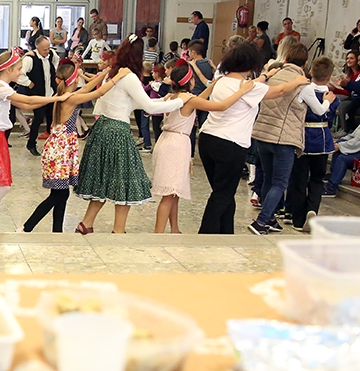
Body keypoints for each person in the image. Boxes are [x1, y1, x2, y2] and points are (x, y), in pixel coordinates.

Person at [73, 36, 187, 235]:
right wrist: (180, 101)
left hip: (102, 129)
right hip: (118, 132)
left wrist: (164, 100)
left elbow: (132, 103)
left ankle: (86, 223)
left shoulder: (113, 74)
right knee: (124, 182)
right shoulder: (129, 77)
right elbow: (148, 107)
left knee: (103, 181)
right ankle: (118, 230)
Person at [197, 43, 307, 235]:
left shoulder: (221, 80)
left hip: (207, 139)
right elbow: (281, 91)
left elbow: (252, 85)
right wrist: (298, 80)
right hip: (230, 144)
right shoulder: (250, 87)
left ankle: (225, 232)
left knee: (223, 191)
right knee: (223, 193)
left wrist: (267, 75)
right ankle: (206, 235)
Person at [0, 50, 62, 232]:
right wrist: (56, 97)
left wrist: (52, 101)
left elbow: (25, 104)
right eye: (18, 69)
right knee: (4, 187)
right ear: (8, 69)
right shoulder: (1, 87)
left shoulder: (2, 86)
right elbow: (28, 100)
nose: (21, 72)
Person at [152, 65, 256, 234]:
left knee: (173, 192)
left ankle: (175, 229)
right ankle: (159, 233)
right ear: (190, 81)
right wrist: (242, 91)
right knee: (169, 194)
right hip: (177, 144)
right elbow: (221, 106)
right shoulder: (189, 100)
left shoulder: (171, 97)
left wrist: (213, 85)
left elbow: (198, 99)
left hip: (166, 140)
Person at [23, 65, 125, 233]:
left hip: (59, 148)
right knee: (59, 194)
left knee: (61, 193)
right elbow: (98, 93)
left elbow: (87, 87)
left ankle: (57, 231)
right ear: (74, 80)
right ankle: (27, 227)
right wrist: (117, 76)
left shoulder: (65, 95)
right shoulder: (70, 98)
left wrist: (106, 73)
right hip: (60, 150)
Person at [248, 41, 313, 236]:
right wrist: (327, 101)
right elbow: (318, 109)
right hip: (284, 137)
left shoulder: (272, 76)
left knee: (268, 178)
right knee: (280, 183)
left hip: (263, 134)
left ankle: (270, 219)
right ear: (305, 63)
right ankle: (261, 221)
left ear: (285, 58)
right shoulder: (302, 83)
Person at [287, 56, 338, 231]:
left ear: (310, 72)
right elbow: (330, 119)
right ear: (329, 76)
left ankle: (298, 219)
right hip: (322, 139)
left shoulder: (303, 90)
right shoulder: (332, 97)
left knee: (299, 180)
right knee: (317, 179)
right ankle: (312, 210)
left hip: (302, 137)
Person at [24, 36, 58, 157]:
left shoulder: (51, 55)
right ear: (37, 48)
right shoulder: (30, 59)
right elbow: (20, 74)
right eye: (44, 49)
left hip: (50, 93)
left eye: (48, 48)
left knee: (51, 118)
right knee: (38, 119)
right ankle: (31, 143)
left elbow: (56, 62)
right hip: (37, 94)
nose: (47, 51)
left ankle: (51, 144)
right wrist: (28, 83)